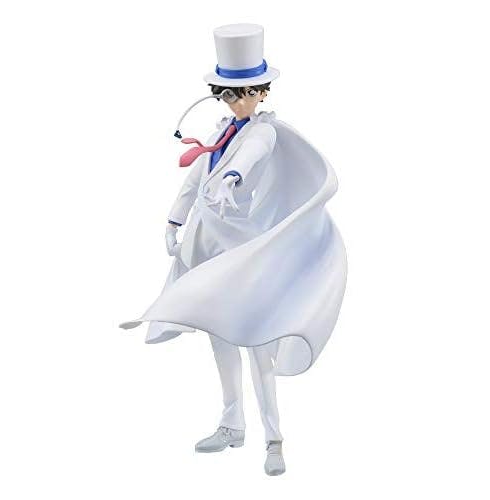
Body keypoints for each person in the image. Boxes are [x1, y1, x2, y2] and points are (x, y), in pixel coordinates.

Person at [121, 23, 347, 476]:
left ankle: (274, 438)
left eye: (246, 93)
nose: (237, 101)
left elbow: (249, 157)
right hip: (208, 248)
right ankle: (231, 424)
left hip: (245, 251)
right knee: (219, 337)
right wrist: (174, 219)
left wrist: (232, 177)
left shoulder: (263, 133)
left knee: (257, 345)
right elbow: (194, 179)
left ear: (261, 93)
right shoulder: (222, 131)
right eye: (229, 94)